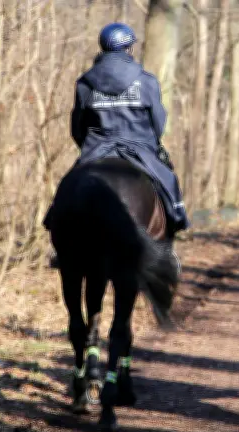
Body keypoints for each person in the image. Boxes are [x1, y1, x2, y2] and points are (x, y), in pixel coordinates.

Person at [44, 23, 190, 267]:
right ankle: (175, 226)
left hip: (97, 147)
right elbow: (158, 122)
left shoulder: (85, 83)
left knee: (67, 188)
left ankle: (59, 238)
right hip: (139, 146)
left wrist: (87, 146)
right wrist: (151, 142)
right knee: (168, 179)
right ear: (128, 48)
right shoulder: (146, 81)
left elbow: (77, 125)